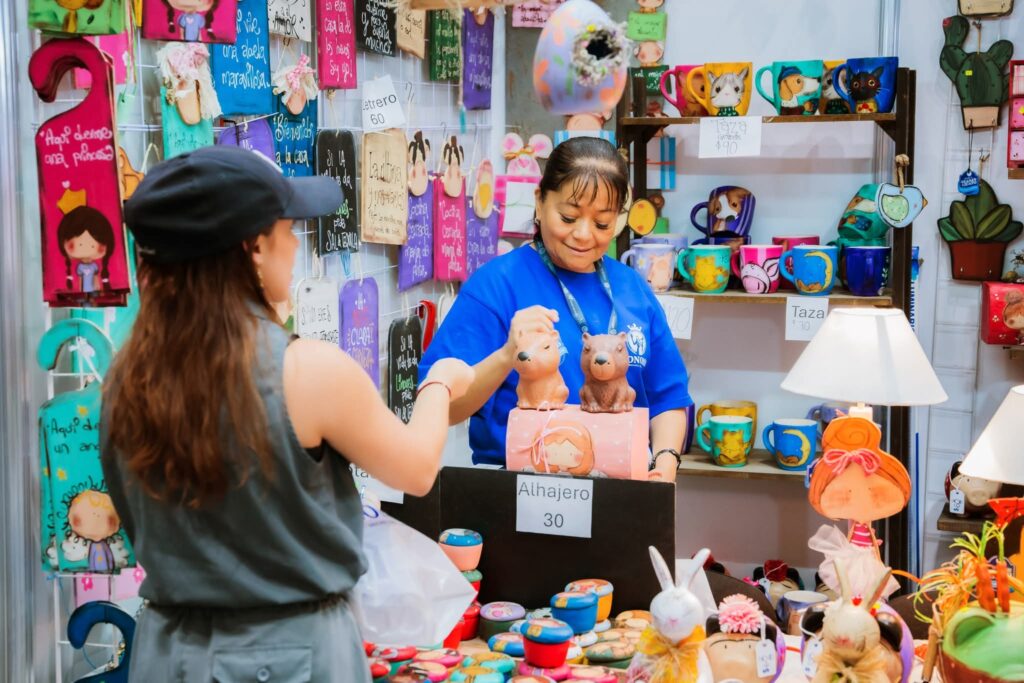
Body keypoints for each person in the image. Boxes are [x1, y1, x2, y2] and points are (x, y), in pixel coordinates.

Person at [100, 146, 473, 682]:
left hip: (168, 653)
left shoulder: (125, 380)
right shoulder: (307, 371)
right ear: (253, 247)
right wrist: (439, 383)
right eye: (287, 228)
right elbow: (415, 469)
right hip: (289, 654)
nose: (296, 243)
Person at [419, 137, 692, 481]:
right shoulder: (495, 286)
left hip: (625, 492)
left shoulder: (632, 287)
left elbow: (668, 395)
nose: (583, 234)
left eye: (602, 223)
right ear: (539, 201)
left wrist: (665, 463)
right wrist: (507, 355)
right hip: (520, 494)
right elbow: (445, 407)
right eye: (568, 216)